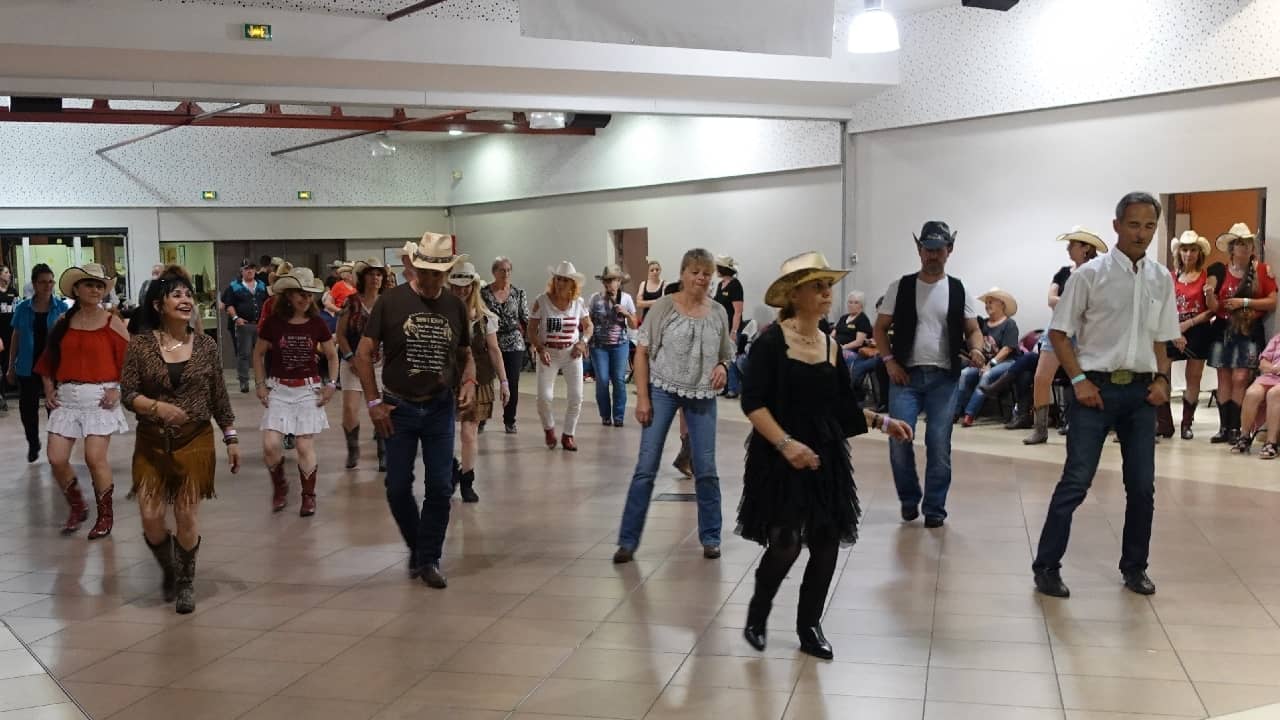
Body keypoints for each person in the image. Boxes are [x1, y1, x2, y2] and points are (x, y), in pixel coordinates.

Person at [738, 252, 912, 658]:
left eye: (828, 286)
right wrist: (787, 445)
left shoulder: (831, 347)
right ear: (795, 294)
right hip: (778, 457)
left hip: (826, 456)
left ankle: (809, 626)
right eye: (817, 286)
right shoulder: (770, 342)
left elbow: (841, 408)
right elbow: (753, 403)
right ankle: (758, 613)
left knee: (826, 542)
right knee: (785, 543)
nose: (826, 293)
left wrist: (884, 423)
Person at [1032, 192, 1180, 599]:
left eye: (1149, 226)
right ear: (1116, 226)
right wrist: (1079, 381)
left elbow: (1163, 339)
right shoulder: (1089, 275)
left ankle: (1135, 568)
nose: (1141, 233)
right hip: (1093, 391)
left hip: (1139, 393)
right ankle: (1046, 566)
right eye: (1133, 225)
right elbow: (1059, 333)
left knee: (1142, 487)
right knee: (1076, 482)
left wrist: (1163, 380)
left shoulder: (1160, 278)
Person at [356, 232, 475, 588]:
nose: (430, 280)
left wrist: (468, 382)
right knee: (396, 487)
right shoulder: (390, 303)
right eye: (425, 272)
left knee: (440, 486)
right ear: (414, 267)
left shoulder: (455, 307)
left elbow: (466, 355)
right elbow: (363, 355)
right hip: (397, 407)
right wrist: (374, 402)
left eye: (438, 274)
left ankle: (429, 558)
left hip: (439, 407)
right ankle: (419, 546)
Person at [120, 266, 239, 614]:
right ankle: (169, 567)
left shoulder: (205, 345)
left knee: (186, 514)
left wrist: (230, 436)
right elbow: (127, 393)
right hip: (152, 440)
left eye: (188, 294)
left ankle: (186, 581)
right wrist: (156, 407)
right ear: (158, 305)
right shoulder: (141, 346)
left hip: (195, 438)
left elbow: (219, 396)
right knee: (151, 517)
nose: (185, 299)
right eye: (177, 295)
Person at [614, 248, 731, 564]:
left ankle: (711, 537)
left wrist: (723, 366)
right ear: (683, 274)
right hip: (663, 389)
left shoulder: (719, 311)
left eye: (706, 273)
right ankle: (627, 541)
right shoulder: (664, 307)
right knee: (646, 466)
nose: (701, 278)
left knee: (706, 468)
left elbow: (725, 352)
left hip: (703, 394)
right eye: (695, 272)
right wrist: (642, 396)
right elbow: (641, 352)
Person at [873, 221, 982, 528]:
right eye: (928, 249)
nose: (933, 255)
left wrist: (976, 349)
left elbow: (973, 330)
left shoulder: (959, 289)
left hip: (944, 379)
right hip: (905, 377)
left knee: (938, 444)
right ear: (919, 250)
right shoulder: (902, 286)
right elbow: (879, 329)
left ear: (949, 250)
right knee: (899, 440)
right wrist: (890, 362)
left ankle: (935, 507)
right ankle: (909, 499)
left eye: (939, 250)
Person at [36, 264, 130, 539]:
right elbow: (49, 359)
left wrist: (119, 389)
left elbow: (132, 361)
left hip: (100, 397)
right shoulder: (63, 322)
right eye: (89, 284)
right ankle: (78, 505)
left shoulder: (112, 321)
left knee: (94, 457)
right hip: (66, 397)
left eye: (100, 286)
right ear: (76, 289)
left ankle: (105, 515)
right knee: (56, 458)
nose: (95, 290)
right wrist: (48, 387)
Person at [252, 267, 338, 517]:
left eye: (309, 294)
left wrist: (331, 384)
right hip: (279, 388)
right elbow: (257, 354)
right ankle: (280, 486)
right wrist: (259, 384)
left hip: (308, 389)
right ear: (287, 295)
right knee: (270, 444)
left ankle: (308, 496)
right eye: (299, 293)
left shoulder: (317, 323)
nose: (305, 299)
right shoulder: (273, 323)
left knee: (303, 445)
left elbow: (332, 356)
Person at [1024, 228, 1108, 444]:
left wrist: (1071, 304)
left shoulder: (1097, 272)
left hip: (1084, 332)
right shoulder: (1063, 272)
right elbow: (1051, 299)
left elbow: (1096, 303)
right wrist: (1074, 304)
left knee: (1084, 378)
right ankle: (1040, 428)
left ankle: (1085, 424)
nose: (1068, 248)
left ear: (1085, 248)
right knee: (1041, 377)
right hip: (1059, 328)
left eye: (1072, 244)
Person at [1207, 223, 1277, 445]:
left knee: (1241, 377)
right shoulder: (1219, 270)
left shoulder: (1262, 271)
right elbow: (1214, 306)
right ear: (1232, 248)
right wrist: (1209, 295)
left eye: (1247, 244)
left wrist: (1244, 302)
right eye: (1240, 244)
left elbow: (1272, 302)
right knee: (1224, 377)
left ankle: (1237, 427)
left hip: (1248, 330)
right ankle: (1224, 427)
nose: (1244, 248)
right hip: (1222, 328)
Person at [448, 262, 510, 503]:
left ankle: (467, 480)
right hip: (447, 379)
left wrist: (504, 382)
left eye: (466, 286)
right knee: (440, 432)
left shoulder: (485, 318)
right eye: (456, 286)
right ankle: (452, 465)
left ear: (473, 287)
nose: (461, 291)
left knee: (468, 432)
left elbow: (494, 350)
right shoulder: (442, 314)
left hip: (479, 380)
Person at [530, 261, 593, 451]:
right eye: (558, 279)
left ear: (572, 283)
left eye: (565, 280)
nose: (560, 283)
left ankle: (568, 435)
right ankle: (549, 428)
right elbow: (531, 330)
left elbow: (589, 326)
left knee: (576, 396)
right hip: (548, 352)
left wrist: (583, 343)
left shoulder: (578, 303)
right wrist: (540, 349)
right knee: (544, 397)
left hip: (571, 353)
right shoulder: (542, 301)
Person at [7, 264, 67, 462]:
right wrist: (10, 366)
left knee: (55, 408)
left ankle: (54, 447)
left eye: (51, 281)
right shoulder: (23, 308)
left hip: (53, 366)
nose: (48, 286)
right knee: (28, 409)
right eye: (43, 282)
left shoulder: (61, 307)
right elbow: (16, 336)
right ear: (34, 284)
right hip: (28, 364)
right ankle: (33, 442)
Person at [1164, 231, 1217, 440]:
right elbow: (1165, 305)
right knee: (1162, 372)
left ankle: (1187, 423)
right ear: (1179, 252)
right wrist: (1176, 329)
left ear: (1199, 252)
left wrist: (1189, 324)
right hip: (1171, 328)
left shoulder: (1207, 277)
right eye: (1185, 249)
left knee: (1193, 377)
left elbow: (1212, 310)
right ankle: (1164, 423)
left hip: (1198, 329)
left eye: (1193, 249)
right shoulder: (1171, 276)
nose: (1188, 254)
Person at [337, 258, 388, 471]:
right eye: (371, 273)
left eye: (379, 274)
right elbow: (340, 335)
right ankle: (353, 447)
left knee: (381, 409)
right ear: (363, 277)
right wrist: (350, 358)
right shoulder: (352, 302)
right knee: (350, 409)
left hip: (380, 362)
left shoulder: (387, 302)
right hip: (352, 362)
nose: (375, 278)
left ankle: (383, 451)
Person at [952, 288, 1021, 426]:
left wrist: (991, 364)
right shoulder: (982, 324)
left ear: (1002, 304)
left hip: (1006, 362)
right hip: (984, 363)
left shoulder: (1009, 324)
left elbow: (1007, 349)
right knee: (964, 374)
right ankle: (954, 412)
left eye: (991, 302)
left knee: (986, 376)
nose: (987, 305)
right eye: (986, 302)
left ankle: (969, 414)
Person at [481, 256, 529, 434]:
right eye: (502, 270)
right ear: (494, 272)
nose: (506, 273)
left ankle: (510, 420)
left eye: (509, 270)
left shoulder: (518, 293)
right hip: (489, 339)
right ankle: (482, 417)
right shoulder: (484, 293)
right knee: (485, 380)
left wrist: (531, 341)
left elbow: (525, 318)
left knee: (512, 381)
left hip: (513, 340)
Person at [588, 265, 637, 427]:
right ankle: (605, 415)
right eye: (607, 280)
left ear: (619, 281)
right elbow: (588, 322)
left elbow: (634, 324)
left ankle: (619, 416)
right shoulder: (595, 299)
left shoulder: (626, 299)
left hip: (620, 345)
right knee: (602, 379)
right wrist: (585, 342)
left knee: (618, 380)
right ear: (603, 282)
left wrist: (626, 313)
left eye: (614, 280)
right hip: (598, 345)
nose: (610, 284)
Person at [220, 260, 267, 394]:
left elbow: (267, 303)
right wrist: (236, 318)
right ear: (241, 271)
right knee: (244, 354)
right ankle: (244, 381)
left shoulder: (262, 285)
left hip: (260, 325)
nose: (250, 271)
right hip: (244, 325)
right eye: (246, 269)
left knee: (262, 353)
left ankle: (262, 381)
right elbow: (228, 304)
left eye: (252, 268)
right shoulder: (234, 286)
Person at [1233, 331, 1280, 457]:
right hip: (1271, 375)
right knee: (1252, 393)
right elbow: (1263, 363)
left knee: (1274, 393)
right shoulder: (1277, 338)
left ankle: (1271, 442)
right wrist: (1274, 369)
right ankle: (1244, 437)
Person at [714, 256, 745, 400]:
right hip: (720, 327)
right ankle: (723, 386)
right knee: (721, 358)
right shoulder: (720, 285)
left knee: (731, 358)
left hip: (731, 327)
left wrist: (734, 331)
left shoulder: (735, 285)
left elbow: (737, 311)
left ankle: (733, 388)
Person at [0, 265, 17, 413]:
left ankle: (12, 387)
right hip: (0, 334)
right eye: (6, 272)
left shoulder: (13, 291)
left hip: (12, 332)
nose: (9, 275)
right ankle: (2, 395)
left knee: (9, 361)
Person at [636, 258, 665, 325]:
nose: (655, 272)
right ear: (648, 272)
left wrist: (645, 303)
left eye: (657, 270)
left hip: (660, 319)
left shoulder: (665, 284)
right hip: (646, 319)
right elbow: (639, 304)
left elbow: (663, 303)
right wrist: (656, 302)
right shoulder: (643, 284)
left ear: (660, 270)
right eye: (652, 270)